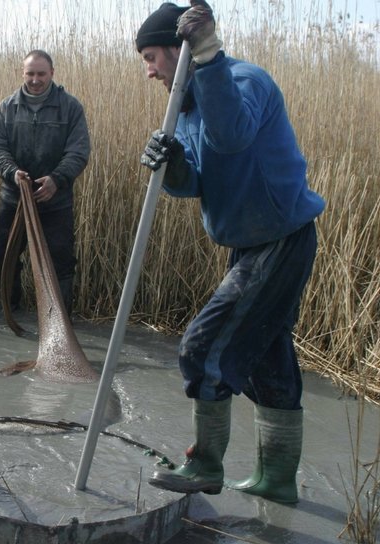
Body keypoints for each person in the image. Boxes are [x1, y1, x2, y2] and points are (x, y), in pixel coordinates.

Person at [137, 1, 325, 503]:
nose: (149, 70)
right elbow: (196, 179)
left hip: (279, 239)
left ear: (180, 50)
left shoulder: (243, 82)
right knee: (267, 359)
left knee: (203, 348)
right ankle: (277, 479)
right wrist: (173, 164)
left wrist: (209, 56)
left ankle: (205, 466)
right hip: (247, 245)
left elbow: (234, 135)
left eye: (153, 57)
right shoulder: (191, 103)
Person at [0, 49, 91, 315]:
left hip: (55, 202)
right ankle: (10, 310)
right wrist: (12, 173)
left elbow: (78, 151)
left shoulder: (70, 107)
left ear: (52, 73)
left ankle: (60, 322)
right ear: (23, 73)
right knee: (4, 256)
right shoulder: (6, 108)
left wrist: (56, 180)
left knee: (61, 263)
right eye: (30, 73)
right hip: (14, 199)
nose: (35, 79)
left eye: (41, 74)